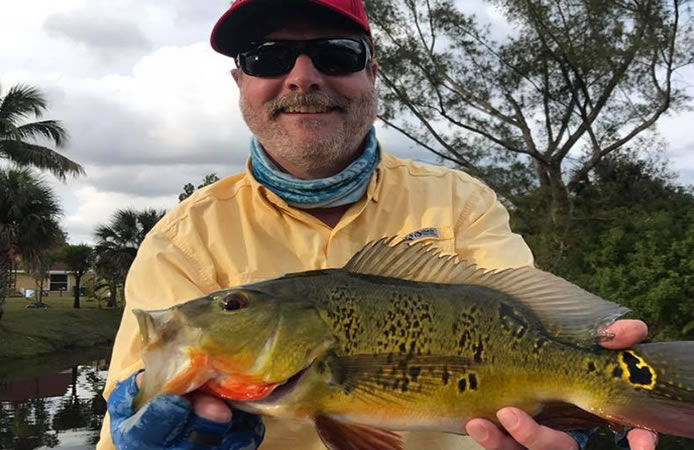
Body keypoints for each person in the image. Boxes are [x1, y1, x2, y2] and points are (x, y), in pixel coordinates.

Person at [98, 0, 659, 449]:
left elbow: (531, 319)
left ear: (371, 72)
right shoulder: (181, 242)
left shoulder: (460, 201)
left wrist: (578, 415)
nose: (301, 78)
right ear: (240, 81)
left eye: (334, 54)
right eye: (268, 57)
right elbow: (133, 403)